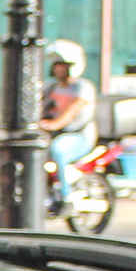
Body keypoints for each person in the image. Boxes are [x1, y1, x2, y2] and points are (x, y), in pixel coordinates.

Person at [41, 40, 96, 205]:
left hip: (78, 136)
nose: (60, 69)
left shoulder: (83, 88)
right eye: (57, 65)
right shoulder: (50, 87)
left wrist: (54, 124)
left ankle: (65, 197)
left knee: (58, 149)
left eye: (64, 65)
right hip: (52, 133)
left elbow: (72, 112)